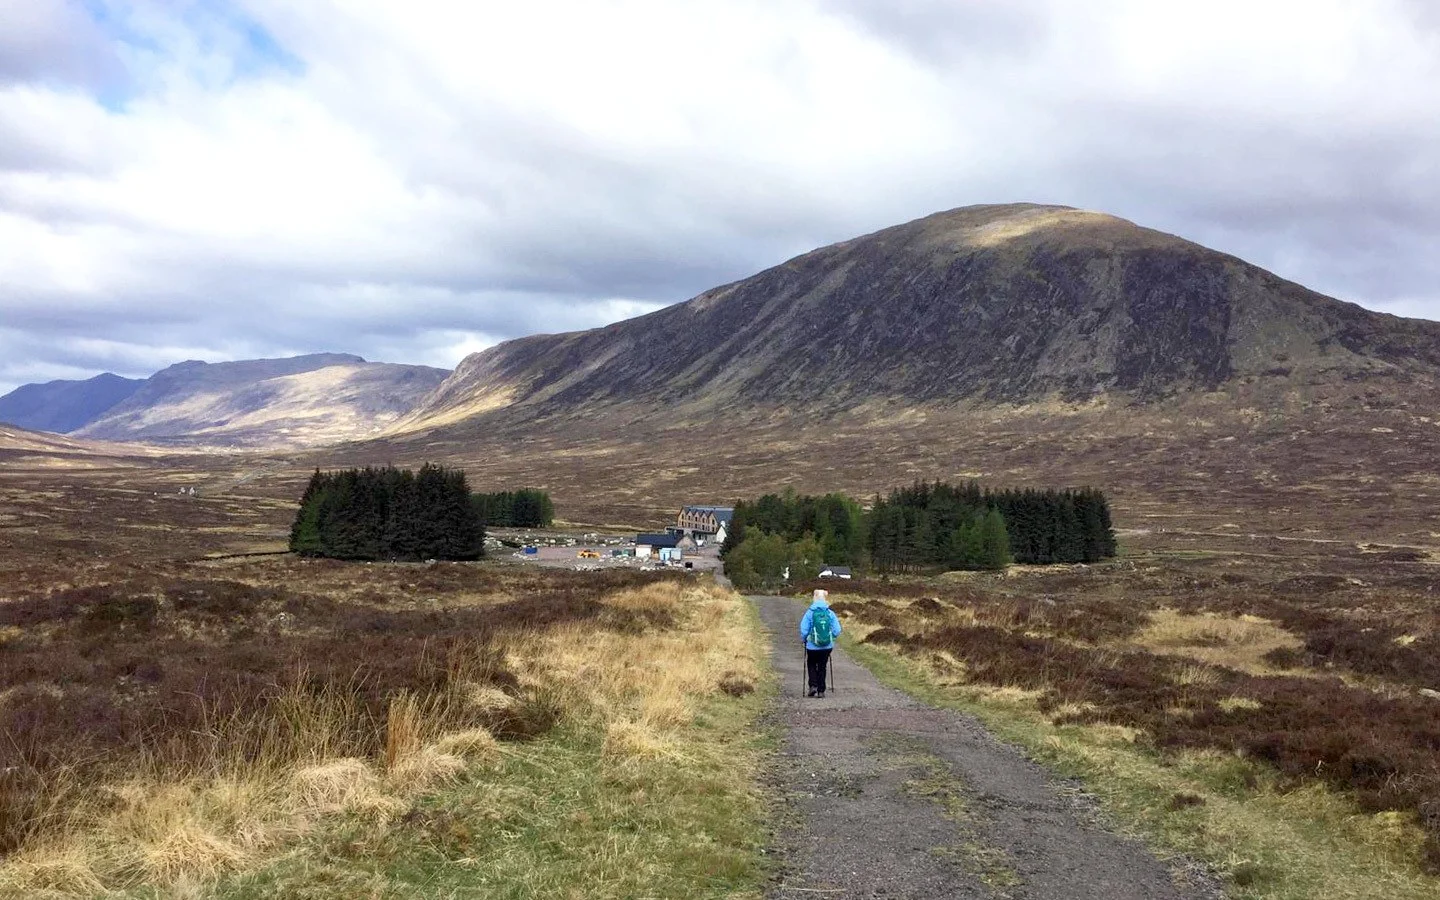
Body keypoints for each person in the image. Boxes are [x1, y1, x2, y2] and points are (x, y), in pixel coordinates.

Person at [799, 589, 841, 698]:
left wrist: (804, 639)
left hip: (812, 646)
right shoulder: (830, 613)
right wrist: (831, 638)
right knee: (822, 666)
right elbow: (837, 630)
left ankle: (813, 686)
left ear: (814, 598)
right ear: (825, 599)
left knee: (811, 663)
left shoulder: (810, 613)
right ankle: (821, 691)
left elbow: (804, 630)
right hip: (827, 646)